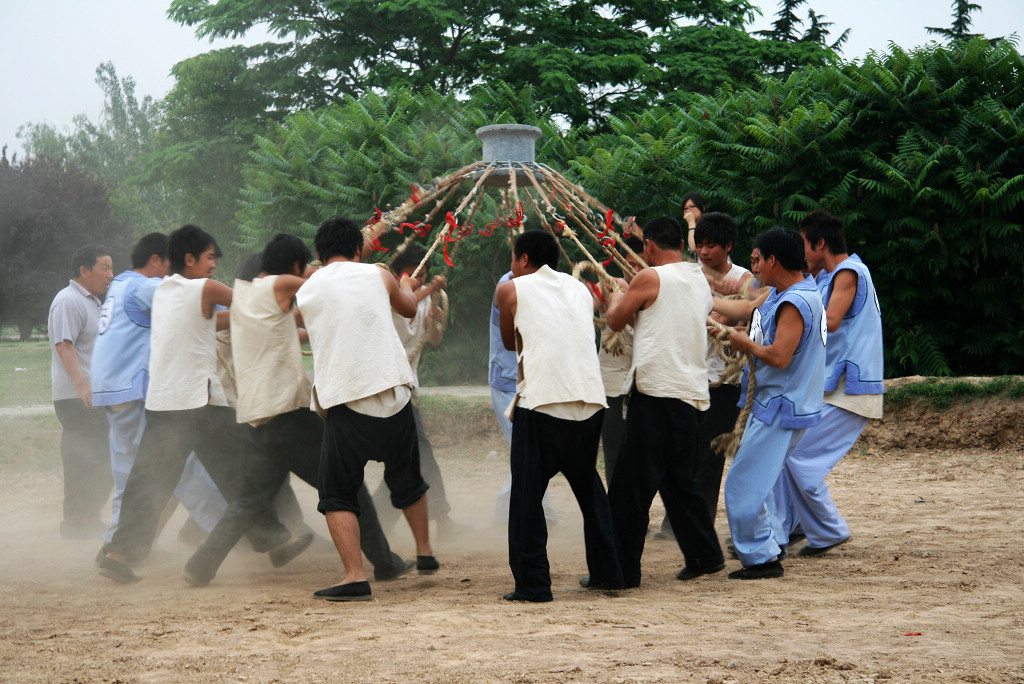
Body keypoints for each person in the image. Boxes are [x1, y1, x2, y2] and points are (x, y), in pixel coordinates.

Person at [183, 234, 412, 586]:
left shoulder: (246, 294)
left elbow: (288, 327)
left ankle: (201, 565)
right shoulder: (285, 284)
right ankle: (384, 562)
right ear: (294, 265)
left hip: (256, 414)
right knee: (347, 487)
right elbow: (328, 287)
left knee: (248, 501)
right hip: (288, 412)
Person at [97, 225, 294, 584]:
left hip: (164, 400)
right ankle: (270, 538)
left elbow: (212, 320)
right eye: (209, 258)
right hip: (198, 402)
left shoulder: (166, 293)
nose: (214, 265)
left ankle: (117, 552)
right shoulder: (203, 288)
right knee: (240, 472)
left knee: (148, 482)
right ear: (189, 259)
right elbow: (254, 303)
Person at [296, 216, 437, 603]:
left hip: (347, 399)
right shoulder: (378, 274)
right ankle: (425, 551)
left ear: (320, 254)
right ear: (358, 250)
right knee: (407, 478)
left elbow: (310, 313)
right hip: (394, 391)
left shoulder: (308, 289)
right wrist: (406, 285)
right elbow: (409, 310)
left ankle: (355, 575)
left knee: (337, 492)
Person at [496, 230, 623, 602]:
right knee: (589, 488)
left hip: (543, 403)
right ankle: (608, 573)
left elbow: (507, 340)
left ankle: (533, 585)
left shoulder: (510, 290)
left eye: (513, 259)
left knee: (527, 496)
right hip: (589, 399)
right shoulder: (581, 289)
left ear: (522, 260)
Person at [601, 216, 724, 588]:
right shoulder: (697, 278)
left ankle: (620, 572)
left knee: (629, 489)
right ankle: (705, 554)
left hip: (656, 392)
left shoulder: (649, 277)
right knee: (677, 481)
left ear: (650, 245)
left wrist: (615, 295)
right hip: (690, 392)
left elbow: (615, 321)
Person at [91, 233, 228, 556]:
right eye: (171, 263)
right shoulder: (147, 287)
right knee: (183, 468)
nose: (173, 272)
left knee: (130, 476)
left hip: (112, 392)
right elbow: (200, 302)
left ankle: (114, 544)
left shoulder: (120, 285)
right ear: (156, 261)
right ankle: (232, 532)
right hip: (133, 388)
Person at [711, 226, 826, 579]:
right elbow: (770, 341)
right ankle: (769, 546)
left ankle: (761, 557)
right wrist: (736, 335)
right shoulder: (789, 293)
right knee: (762, 483)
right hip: (779, 405)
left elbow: (778, 357)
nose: (753, 267)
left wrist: (744, 345)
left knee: (742, 484)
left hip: (780, 407)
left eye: (757, 259)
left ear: (773, 259)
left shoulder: (794, 301)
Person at [771, 210, 884, 556]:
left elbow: (830, 320)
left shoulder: (848, 271)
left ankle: (826, 529)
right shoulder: (828, 277)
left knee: (797, 459)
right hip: (837, 388)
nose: (802, 252)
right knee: (788, 454)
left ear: (820, 243)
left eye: (804, 243)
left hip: (850, 388)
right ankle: (787, 530)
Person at [372, 244, 467, 539]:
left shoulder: (424, 296)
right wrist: (428, 289)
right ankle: (443, 520)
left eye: (424, 273)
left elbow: (434, 339)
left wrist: (433, 322)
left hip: (407, 387)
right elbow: (405, 301)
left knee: (407, 460)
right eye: (416, 272)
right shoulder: (386, 290)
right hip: (385, 385)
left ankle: (375, 525)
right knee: (418, 454)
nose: (420, 277)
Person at [48, 244, 114, 538]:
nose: (110, 274)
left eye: (111, 268)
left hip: (91, 397)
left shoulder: (94, 302)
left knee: (101, 459)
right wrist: (83, 385)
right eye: (105, 268)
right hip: (76, 399)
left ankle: (83, 519)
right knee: (86, 460)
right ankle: (76, 524)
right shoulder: (68, 300)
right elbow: (64, 345)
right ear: (84, 270)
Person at [489, 271, 559, 527]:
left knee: (530, 447)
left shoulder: (547, 283)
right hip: (508, 383)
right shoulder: (506, 286)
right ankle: (537, 510)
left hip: (533, 382)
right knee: (527, 448)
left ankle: (510, 510)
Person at [597, 235, 644, 483]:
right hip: (611, 385)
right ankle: (616, 515)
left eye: (639, 265)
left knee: (640, 456)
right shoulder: (610, 286)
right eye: (629, 264)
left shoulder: (657, 293)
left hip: (643, 386)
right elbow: (593, 302)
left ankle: (636, 517)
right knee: (613, 453)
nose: (633, 270)